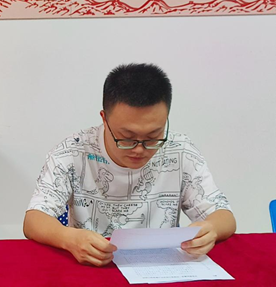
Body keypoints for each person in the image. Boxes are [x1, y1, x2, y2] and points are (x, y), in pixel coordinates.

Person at [23, 63, 236, 267]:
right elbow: (34, 219)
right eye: (127, 138)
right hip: (95, 264)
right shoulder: (72, 152)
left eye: (153, 136)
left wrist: (210, 228)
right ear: (104, 119)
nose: (139, 149)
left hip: (159, 267)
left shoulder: (180, 151)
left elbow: (224, 216)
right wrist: (69, 238)